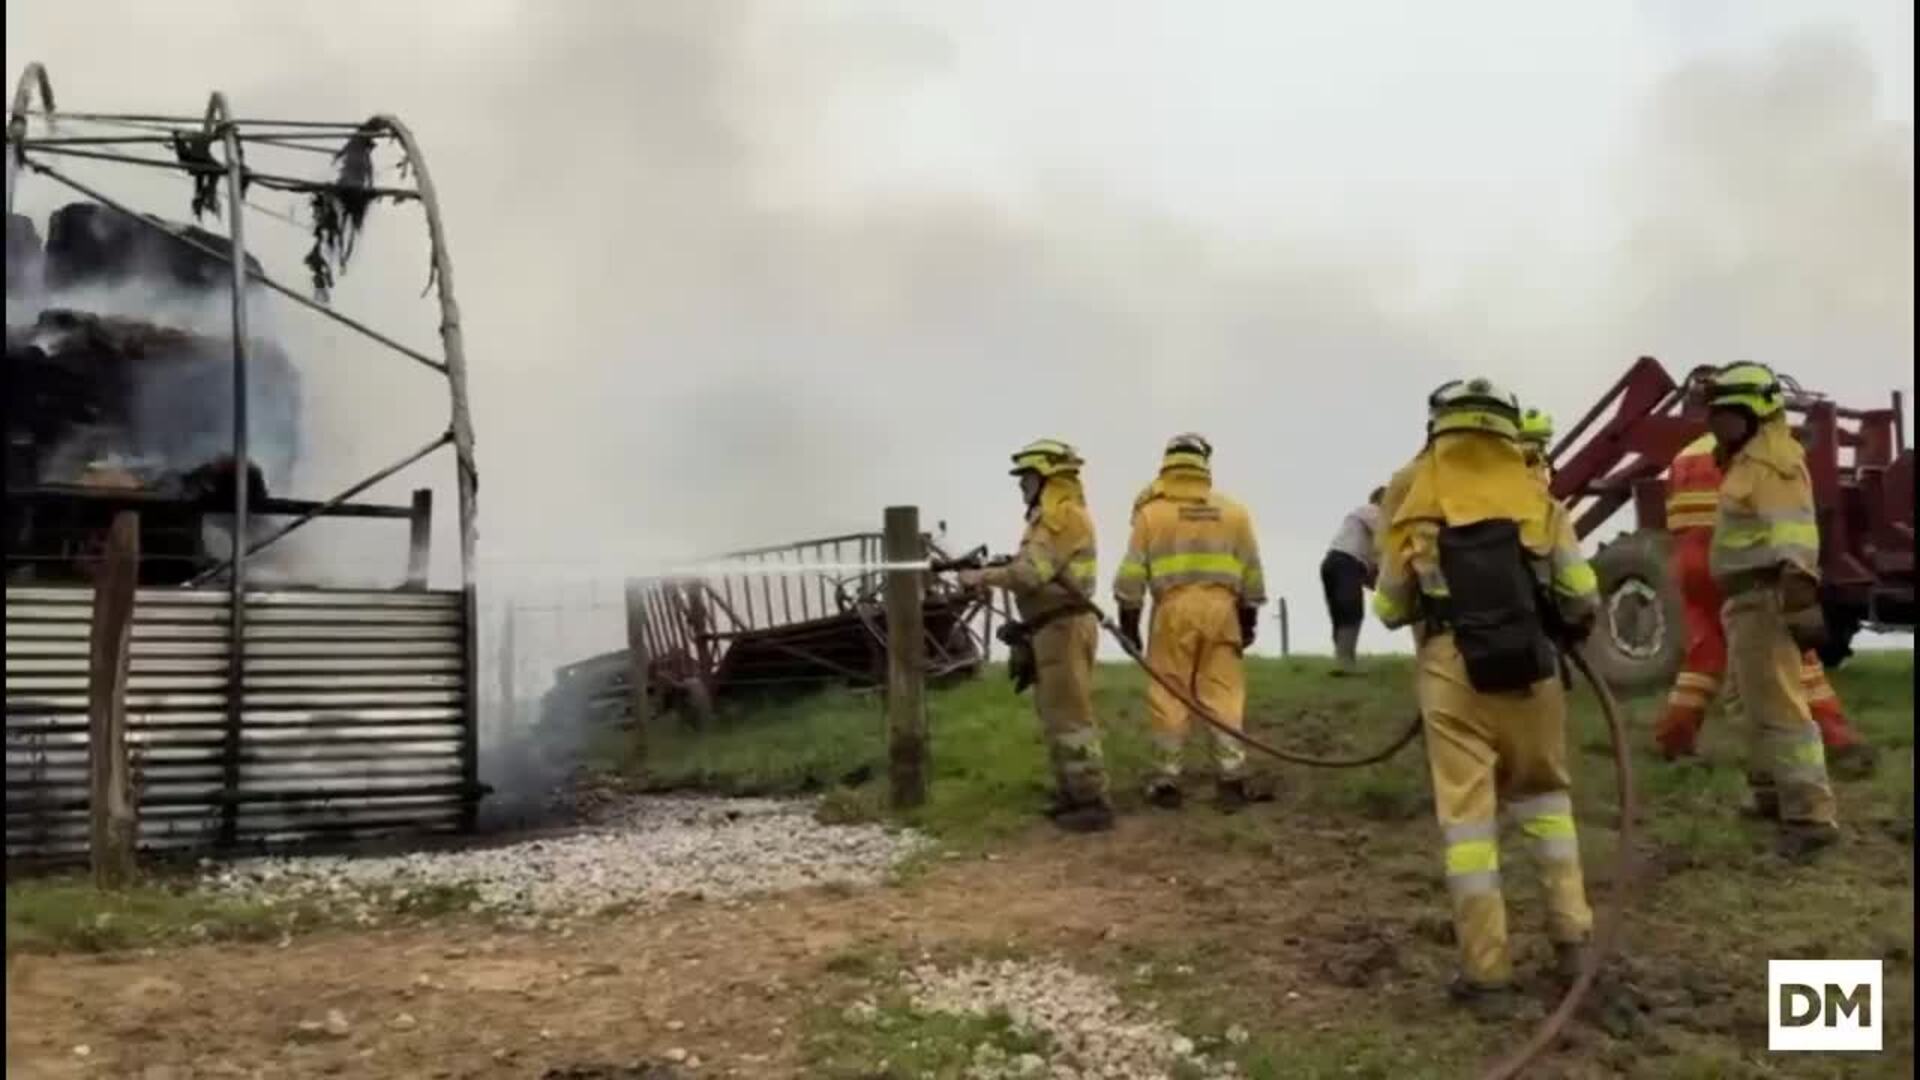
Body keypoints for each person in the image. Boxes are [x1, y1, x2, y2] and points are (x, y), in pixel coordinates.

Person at [1372, 378, 1598, 1012]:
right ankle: (1574, 942)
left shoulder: (1417, 505)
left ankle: (1487, 975)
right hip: (1535, 669)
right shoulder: (1538, 501)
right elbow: (1581, 594)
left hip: (1452, 673)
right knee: (1548, 803)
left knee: (1469, 827)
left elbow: (1391, 607)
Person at [1653, 427, 1874, 775]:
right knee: (1796, 652)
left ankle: (1674, 738)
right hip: (1739, 563)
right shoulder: (1763, 453)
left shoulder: (1687, 455)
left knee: (1705, 653)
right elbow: (1777, 517)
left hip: (1693, 565)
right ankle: (1838, 741)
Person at [1701, 362, 1841, 859]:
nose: (1715, 423)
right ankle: (1770, 795)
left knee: (1780, 710)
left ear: (1756, 411)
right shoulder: (1746, 459)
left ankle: (1810, 815)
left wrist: (1799, 595)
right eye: (1713, 413)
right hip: (1743, 601)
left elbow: (1795, 537)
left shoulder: (1772, 463)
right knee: (1748, 705)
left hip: (1764, 600)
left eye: (1726, 413)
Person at [958, 438, 1114, 833]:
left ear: (1047, 477)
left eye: (1027, 478)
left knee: (1071, 717)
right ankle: (1072, 795)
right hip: (1050, 626)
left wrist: (980, 576)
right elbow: (1034, 567)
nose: (1022, 486)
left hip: (1063, 627)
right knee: (1056, 714)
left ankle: (1092, 802)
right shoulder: (1051, 517)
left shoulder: (1060, 517)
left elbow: (1030, 574)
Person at [1114, 433, 1268, 811]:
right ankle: (1231, 780)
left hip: (1173, 610)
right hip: (1223, 610)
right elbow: (1252, 571)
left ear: (1166, 465)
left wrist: (1129, 627)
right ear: (1204, 466)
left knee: (1169, 692)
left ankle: (1168, 781)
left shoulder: (1151, 513)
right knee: (1224, 694)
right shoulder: (1234, 512)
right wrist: (1247, 621)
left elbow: (1131, 576)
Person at [1320, 490, 1384, 674]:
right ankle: (1346, 662)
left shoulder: (1363, 530)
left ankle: (1342, 661)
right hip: (1346, 562)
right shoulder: (1371, 510)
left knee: (1340, 611)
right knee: (1351, 610)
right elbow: (1386, 536)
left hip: (1334, 562)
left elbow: (1372, 568)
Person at [1518, 407, 1554, 486]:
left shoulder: (1522, 420)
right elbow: (1549, 432)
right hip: (1537, 447)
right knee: (1538, 470)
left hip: (1523, 447)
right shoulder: (1543, 420)